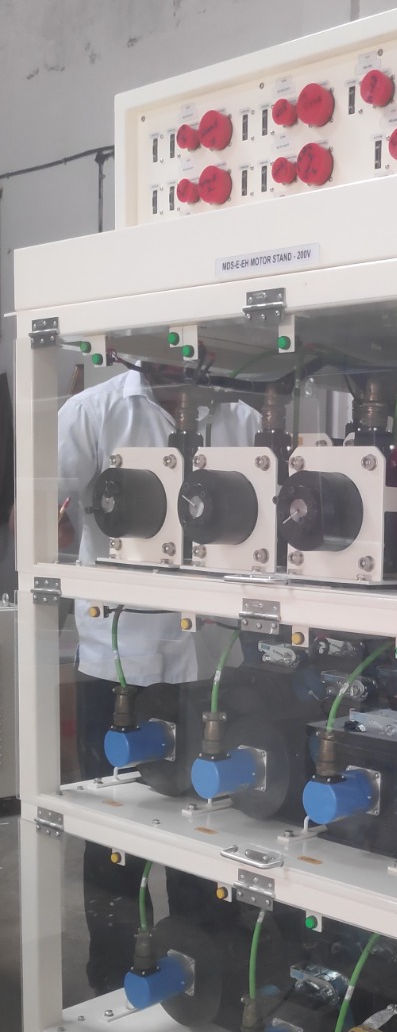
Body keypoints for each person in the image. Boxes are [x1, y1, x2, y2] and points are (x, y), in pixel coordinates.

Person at [58, 361, 261, 991]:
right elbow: (31, 517)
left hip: (215, 663)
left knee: (214, 829)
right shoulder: (92, 413)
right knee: (116, 839)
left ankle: (209, 985)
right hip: (122, 662)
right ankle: (113, 983)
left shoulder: (244, 418)